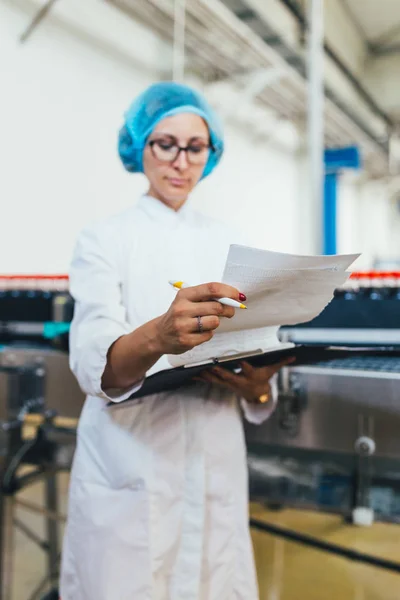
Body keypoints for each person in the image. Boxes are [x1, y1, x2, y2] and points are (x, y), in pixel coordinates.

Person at [60, 81, 292, 600]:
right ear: (139, 146)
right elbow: (94, 363)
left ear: (211, 154)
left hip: (214, 466)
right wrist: (159, 336)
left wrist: (257, 386)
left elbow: (258, 347)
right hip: (128, 468)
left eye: (195, 147)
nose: (181, 161)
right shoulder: (104, 239)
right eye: (165, 143)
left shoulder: (230, 240)